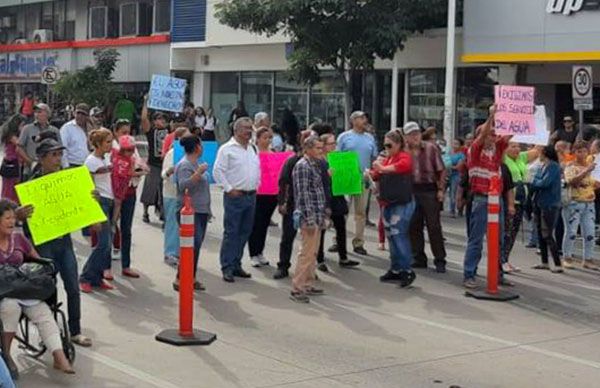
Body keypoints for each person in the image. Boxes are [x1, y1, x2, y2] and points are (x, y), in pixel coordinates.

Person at [25, 138, 93, 348]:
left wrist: (91, 199)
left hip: (64, 242)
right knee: (48, 288)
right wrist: (20, 214)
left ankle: (75, 331)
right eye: (53, 155)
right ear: (41, 158)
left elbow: (81, 205)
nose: (57, 159)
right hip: (43, 243)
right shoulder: (31, 184)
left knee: (73, 285)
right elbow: (19, 216)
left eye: (59, 154)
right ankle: (51, 332)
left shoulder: (67, 180)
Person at [0, 200, 75, 377]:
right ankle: (7, 355)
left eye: (13, 218)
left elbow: (38, 259)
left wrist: (42, 270)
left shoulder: (18, 239)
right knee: (10, 307)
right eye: (7, 218)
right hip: (3, 292)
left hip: (24, 288)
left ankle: (59, 356)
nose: (12, 222)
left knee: (42, 312)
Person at [462, 106, 513, 289]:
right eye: (490, 134)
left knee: (497, 240)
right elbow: (483, 135)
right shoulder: (474, 152)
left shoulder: (496, 152)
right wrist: (492, 115)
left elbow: (508, 135)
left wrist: (515, 115)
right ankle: (469, 274)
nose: (494, 137)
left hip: (495, 200)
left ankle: (497, 273)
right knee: (476, 240)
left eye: (494, 134)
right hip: (481, 199)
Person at [213, 117, 260, 282]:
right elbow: (217, 171)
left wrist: (257, 184)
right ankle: (227, 266)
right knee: (232, 232)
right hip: (235, 196)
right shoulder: (227, 149)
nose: (249, 131)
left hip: (251, 195)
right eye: (246, 128)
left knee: (244, 232)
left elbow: (256, 168)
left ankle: (236, 263)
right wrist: (229, 189)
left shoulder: (252, 148)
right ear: (237, 130)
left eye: (251, 128)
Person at [369, 129, 417, 287]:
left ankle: (406, 269)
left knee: (399, 234)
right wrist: (370, 174)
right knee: (391, 235)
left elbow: (403, 166)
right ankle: (396, 268)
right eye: (384, 145)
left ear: (398, 144)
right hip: (389, 201)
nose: (386, 148)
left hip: (401, 202)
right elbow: (377, 174)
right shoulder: (388, 158)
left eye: (389, 145)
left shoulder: (403, 156)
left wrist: (381, 168)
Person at [404, 121, 448, 273]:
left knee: (433, 226)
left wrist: (441, 189)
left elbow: (441, 170)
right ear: (406, 137)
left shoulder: (431, 148)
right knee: (413, 226)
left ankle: (440, 259)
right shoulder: (404, 151)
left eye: (416, 133)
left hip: (429, 190)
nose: (415, 136)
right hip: (411, 190)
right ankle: (418, 257)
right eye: (411, 134)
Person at [290, 135, 327, 303]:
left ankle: (307, 283)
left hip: (317, 215)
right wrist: (310, 220)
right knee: (306, 253)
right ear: (308, 149)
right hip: (309, 217)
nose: (322, 151)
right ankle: (297, 287)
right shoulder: (303, 166)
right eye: (318, 148)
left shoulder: (315, 164)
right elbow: (303, 195)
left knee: (312, 252)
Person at [273, 130, 314, 279]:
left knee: (312, 240)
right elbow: (283, 182)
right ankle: (283, 265)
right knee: (288, 237)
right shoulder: (292, 161)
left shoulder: (320, 162)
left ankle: (310, 269)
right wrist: (282, 202)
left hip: (312, 206)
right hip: (293, 205)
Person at [316, 133, 360, 272]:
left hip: (337, 196)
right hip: (324, 197)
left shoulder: (338, 158)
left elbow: (347, 175)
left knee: (341, 226)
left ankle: (343, 257)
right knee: (322, 229)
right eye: (331, 144)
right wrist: (326, 175)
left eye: (334, 143)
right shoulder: (319, 160)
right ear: (323, 146)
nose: (334, 146)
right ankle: (320, 258)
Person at [336, 111, 378, 255]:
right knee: (342, 211)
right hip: (346, 178)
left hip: (362, 179)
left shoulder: (370, 138)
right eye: (361, 117)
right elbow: (337, 156)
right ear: (353, 120)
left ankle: (359, 242)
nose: (364, 120)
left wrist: (372, 175)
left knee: (361, 213)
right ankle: (338, 240)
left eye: (365, 117)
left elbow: (374, 158)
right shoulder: (344, 137)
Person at [173, 134, 211, 291]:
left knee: (195, 246)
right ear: (196, 147)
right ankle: (181, 278)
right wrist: (198, 174)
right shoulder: (185, 165)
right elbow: (183, 186)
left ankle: (190, 276)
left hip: (201, 209)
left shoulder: (196, 163)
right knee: (191, 246)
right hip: (190, 211)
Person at [80, 128, 116, 292]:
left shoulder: (106, 158)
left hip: (109, 200)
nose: (110, 145)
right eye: (107, 142)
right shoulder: (91, 161)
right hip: (99, 202)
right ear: (98, 144)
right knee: (104, 244)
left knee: (107, 244)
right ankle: (86, 276)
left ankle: (97, 276)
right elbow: (88, 186)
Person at [501, 142, 541, 273]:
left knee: (513, 233)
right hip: (508, 200)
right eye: (512, 146)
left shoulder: (521, 157)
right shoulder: (502, 158)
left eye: (518, 146)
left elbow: (537, 150)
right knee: (506, 232)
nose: (516, 149)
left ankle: (505, 259)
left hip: (521, 200)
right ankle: (501, 260)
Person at [111, 121, 143, 279]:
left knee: (126, 229)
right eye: (123, 132)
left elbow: (141, 167)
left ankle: (126, 265)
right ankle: (105, 267)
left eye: (129, 132)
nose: (126, 135)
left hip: (130, 192)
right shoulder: (110, 149)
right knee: (109, 229)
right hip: (114, 194)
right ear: (116, 132)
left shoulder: (133, 149)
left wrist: (135, 172)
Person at [562, 141, 598, 270]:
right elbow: (571, 181)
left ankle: (588, 259)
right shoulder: (570, 166)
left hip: (589, 203)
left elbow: (592, 183)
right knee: (571, 231)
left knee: (590, 233)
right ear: (574, 152)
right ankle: (567, 257)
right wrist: (586, 171)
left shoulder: (591, 166)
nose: (582, 154)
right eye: (579, 151)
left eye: (584, 151)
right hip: (574, 203)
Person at [531, 146, 564, 273]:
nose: (538, 154)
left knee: (548, 234)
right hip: (539, 202)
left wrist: (534, 181)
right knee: (540, 233)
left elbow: (545, 182)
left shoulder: (554, 166)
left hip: (550, 203)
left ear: (545, 153)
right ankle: (544, 262)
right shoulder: (542, 165)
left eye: (540, 152)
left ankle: (557, 263)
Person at [248, 127, 277, 267]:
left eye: (269, 138)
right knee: (255, 223)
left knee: (264, 224)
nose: (267, 140)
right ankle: (253, 253)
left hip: (271, 193)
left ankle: (260, 252)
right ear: (258, 138)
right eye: (264, 138)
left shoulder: (273, 153)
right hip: (257, 192)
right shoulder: (253, 152)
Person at [161, 127, 189, 267]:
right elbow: (164, 175)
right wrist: (171, 171)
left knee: (184, 225)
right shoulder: (172, 153)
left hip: (186, 194)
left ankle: (181, 252)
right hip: (172, 193)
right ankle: (170, 253)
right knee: (172, 223)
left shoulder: (190, 155)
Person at [140, 95, 168, 224]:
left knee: (164, 190)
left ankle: (163, 212)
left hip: (166, 165)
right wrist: (146, 102)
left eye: (162, 119)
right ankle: (145, 211)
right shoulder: (151, 131)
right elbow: (144, 119)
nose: (160, 121)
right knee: (149, 189)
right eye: (157, 119)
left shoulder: (170, 131)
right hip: (153, 164)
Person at [18, 103, 60, 177]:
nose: (36, 114)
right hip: (30, 171)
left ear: (47, 114)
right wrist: (31, 163)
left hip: (50, 171)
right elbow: (19, 148)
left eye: (40, 111)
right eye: (35, 112)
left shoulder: (54, 130)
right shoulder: (27, 129)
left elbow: (60, 149)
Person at [111, 136, 139, 234]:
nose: (131, 152)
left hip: (123, 186)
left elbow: (131, 172)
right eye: (128, 150)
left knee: (118, 205)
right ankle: (113, 224)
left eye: (132, 150)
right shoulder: (115, 156)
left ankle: (113, 223)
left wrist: (139, 172)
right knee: (116, 205)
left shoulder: (131, 160)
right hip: (115, 185)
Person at [0, 115, 25, 202]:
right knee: (9, 188)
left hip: (12, 163)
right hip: (12, 163)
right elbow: (20, 144)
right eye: (22, 125)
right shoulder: (11, 136)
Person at [59, 103, 90, 168]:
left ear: (87, 116)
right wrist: (66, 166)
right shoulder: (67, 128)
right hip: (73, 165)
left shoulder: (91, 128)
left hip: (89, 165)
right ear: (74, 113)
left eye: (83, 114)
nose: (80, 116)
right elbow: (63, 149)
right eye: (78, 113)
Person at [448, 139, 466, 217]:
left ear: (460, 146)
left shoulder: (461, 155)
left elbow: (458, 167)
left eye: (457, 144)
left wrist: (448, 166)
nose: (454, 145)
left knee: (454, 193)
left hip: (456, 176)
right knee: (449, 193)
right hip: (448, 175)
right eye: (453, 143)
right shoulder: (449, 153)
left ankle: (454, 210)